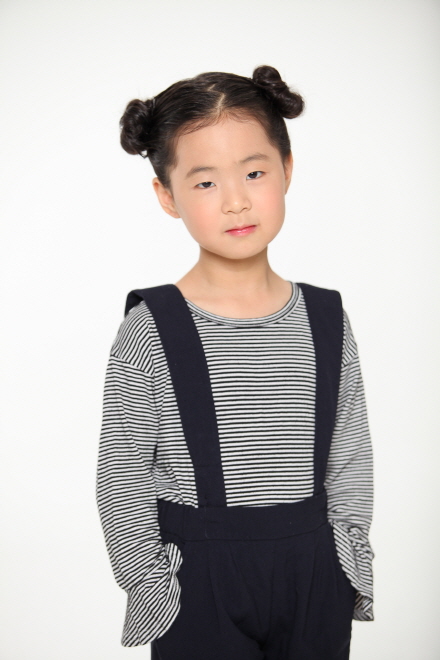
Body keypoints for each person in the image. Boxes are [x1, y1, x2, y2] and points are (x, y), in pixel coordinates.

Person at [96, 64, 374, 659]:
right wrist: (152, 587)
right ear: (167, 196)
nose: (236, 201)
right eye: (205, 183)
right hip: (198, 583)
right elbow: (122, 475)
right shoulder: (151, 326)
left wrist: (346, 564)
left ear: (287, 169)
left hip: (313, 575)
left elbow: (349, 455)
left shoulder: (325, 318)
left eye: (254, 172)